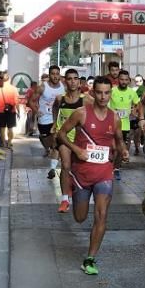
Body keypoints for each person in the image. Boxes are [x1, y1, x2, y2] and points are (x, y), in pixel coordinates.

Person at [56, 76, 127, 276]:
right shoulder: (81, 114)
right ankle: (70, 189)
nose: (103, 97)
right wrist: (76, 149)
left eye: (107, 93)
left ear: (110, 94)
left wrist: (123, 151)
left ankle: (90, 258)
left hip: (104, 172)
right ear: (92, 93)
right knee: (80, 217)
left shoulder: (115, 118)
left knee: (102, 214)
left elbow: (119, 140)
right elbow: (61, 134)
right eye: (99, 92)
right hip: (81, 174)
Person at [53, 69, 89, 213]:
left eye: (75, 78)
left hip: (79, 139)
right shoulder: (60, 99)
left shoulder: (86, 100)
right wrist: (54, 125)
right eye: (69, 79)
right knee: (66, 166)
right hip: (64, 137)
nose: (72, 81)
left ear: (79, 81)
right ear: (65, 81)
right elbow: (55, 109)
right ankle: (64, 199)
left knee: (77, 168)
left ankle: (75, 189)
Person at [108, 70, 139, 180]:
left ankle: (116, 169)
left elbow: (138, 104)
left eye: (126, 80)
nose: (124, 81)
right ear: (118, 80)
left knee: (120, 148)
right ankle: (109, 168)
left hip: (125, 125)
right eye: (122, 79)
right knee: (112, 148)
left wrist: (134, 111)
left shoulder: (132, 92)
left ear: (129, 81)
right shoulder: (112, 91)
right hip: (111, 124)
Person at [38, 65, 65, 175]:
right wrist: (37, 110)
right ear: (49, 75)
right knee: (48, 142)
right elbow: (31, 100)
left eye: (57, 74)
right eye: (53, 74)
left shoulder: (63, 86)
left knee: (56, 143)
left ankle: (53, 168)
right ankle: (48, 146)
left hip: (58, 119)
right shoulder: (42, 87)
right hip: (44, 118)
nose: (55, 76)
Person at [0, 72, 18, 150]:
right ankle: (10, 142)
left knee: (2, 128)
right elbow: (16, 101)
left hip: (1, 111)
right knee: (10, 128)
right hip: (12, 111)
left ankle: (4, 143)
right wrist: (18, 111)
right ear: (9, 79)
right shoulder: (14, 89)